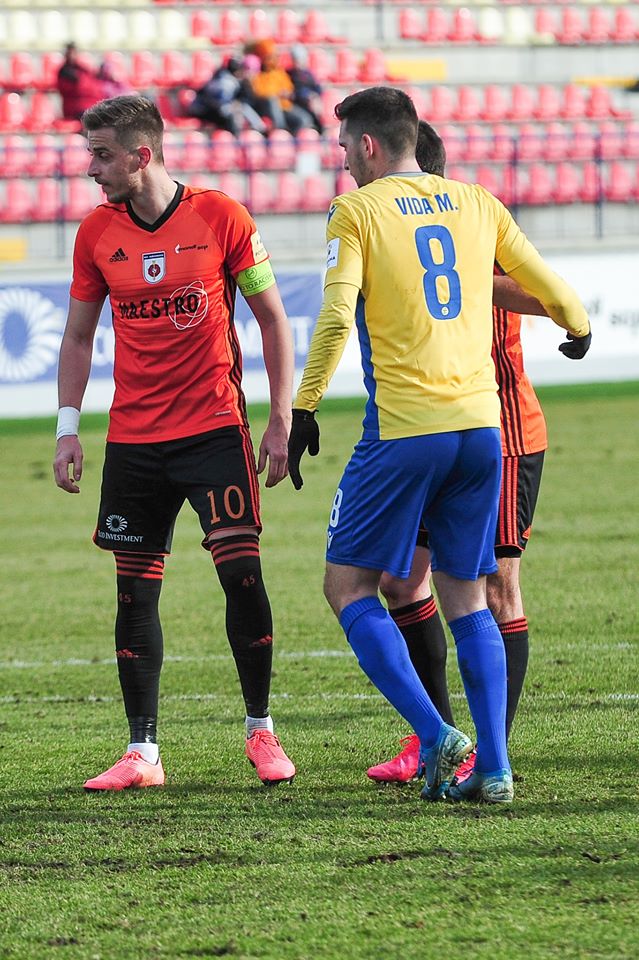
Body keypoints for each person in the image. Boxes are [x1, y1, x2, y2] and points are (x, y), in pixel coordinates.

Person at [287, 87, 591, 804]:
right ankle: (494, 768)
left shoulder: (356, 211)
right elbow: (548, 285)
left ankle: (435, 734)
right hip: (481, 430)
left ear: (368, 145)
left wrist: (304, 406)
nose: (342, 161)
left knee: (347, 587)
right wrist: (576, 324)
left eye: (344, 148)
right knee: (466, 595)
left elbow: (335, 315)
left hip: (403, 431)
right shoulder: (478, 202)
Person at [53, 95, 296, 791]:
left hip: (214, 430)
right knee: (134, 595)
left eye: (102, 155)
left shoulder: (222, 217)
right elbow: (78, 336)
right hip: (134, 440)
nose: (91, 168)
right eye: (90, 154)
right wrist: (68, 428)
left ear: (142, 154)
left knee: (241, 575)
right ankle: (143, 753)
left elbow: (272, 319)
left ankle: (260, 731)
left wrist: (280, 417)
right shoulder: (95, 233)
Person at [366, 120, 557, 785]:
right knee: (399, 581)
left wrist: (478, 280)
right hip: (431, 432)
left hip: (501, 435)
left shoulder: (476, 225)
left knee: (496, 588)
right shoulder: (392, 232)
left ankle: (489, 751)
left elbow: (547, 294)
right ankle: (435, 739)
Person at [248, 39, 314, 136]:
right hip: (268, 109)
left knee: (304, 119)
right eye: (270, 57)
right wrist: (277, 94)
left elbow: (289, 89)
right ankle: (280, 135)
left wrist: (287, 93)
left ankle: (292, 140)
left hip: (285, 106)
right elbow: (259, 93)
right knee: (272, 101)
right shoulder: (257, 74)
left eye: (275, 56)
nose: (273, 59)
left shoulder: (279, 72)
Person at [187, 56, 267, 136]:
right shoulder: (227, 81)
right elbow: (219, 103)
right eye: (241, 69)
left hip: (208, 109)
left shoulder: (225, 77)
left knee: (241, 108)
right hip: (203, 110)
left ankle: (259, 129)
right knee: (234, 112)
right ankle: (240, 137)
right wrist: (234, 107)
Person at [56, 43, 113, 122]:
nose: (71, 56)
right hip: (76, 108)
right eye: (69, 53)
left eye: (74, 53)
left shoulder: (81, 68)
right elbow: (79, 90)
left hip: (91, 104)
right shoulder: (64, 71)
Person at [287, 45, 324, 134]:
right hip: (295, 104)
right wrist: (308, 96)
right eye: (296, 60)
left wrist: (315, 97)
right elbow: (294, 91)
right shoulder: (290, 74)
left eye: (300, 59)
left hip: (309, 105)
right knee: (305, 119)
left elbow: (318, 89)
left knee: (318, 117)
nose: (298, 63)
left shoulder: (308, 74)